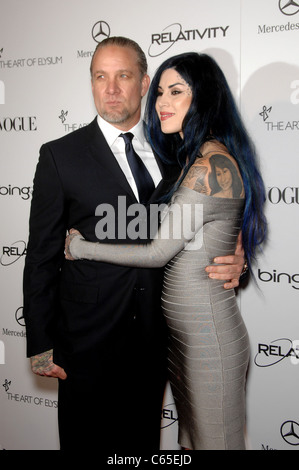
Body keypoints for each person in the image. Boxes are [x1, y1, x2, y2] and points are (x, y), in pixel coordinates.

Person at [23, 37, 245, 451]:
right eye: (100, 77)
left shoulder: (178, 154)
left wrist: (237, 258)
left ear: (144, 84)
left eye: (122, 76)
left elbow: (206, 225)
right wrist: (40, 341)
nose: (110, 89)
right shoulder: (59, 155)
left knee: (141, 447)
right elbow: (40, 256)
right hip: (86, 339)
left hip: (156, 337)